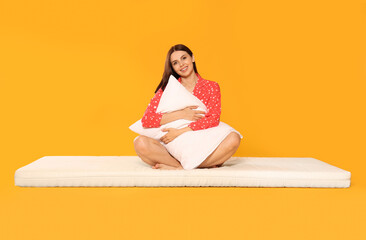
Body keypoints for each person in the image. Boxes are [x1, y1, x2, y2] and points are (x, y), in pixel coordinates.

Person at [134, 44, 241, 170]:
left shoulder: (211, 87)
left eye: (184, 58)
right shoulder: (167, 90)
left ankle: (179, 167)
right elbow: (147, 120)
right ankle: (185, 165)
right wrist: (182, 114)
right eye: (175, 62)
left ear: (192, 58)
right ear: (173, 67)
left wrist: (181, 131)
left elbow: (213, 118)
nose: (181, 64)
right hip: (172, 145)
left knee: (234, 138)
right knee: (140, 143)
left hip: (202, 141)